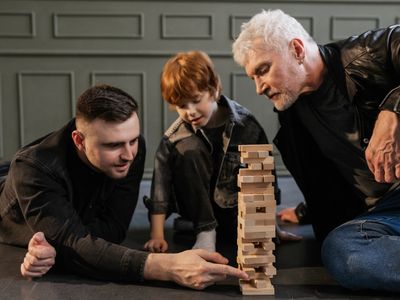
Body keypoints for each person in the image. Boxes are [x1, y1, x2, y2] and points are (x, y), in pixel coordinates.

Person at [0, 84, 248, 289]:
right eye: (113, 145)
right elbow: (78, 244)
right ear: (79, 140)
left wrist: (69, 246)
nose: (129, 155)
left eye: (132, 141)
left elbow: (113, 229)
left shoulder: (130, 150)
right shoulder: (32, 169)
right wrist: (169, 267)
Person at [232, 9, 400, 292]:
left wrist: (393, 110)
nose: (259, 87)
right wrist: (308, 210)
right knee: (342, 251)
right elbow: (333, 172)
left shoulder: (369, 52)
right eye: (252, 78)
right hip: (389, 209)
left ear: (296, 49)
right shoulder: (294, 113)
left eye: (263, 70)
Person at [143, 50, 285, 253]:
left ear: (214, 89)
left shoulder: (246, 126)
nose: (190, 111)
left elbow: (264, 177)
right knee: (188, 149)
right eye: (182, 105)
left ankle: (220, 230)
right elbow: (160, 189)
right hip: (196, 214)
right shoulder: (175, 138)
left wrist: (270, 226)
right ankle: (205, 233)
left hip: (234, 212)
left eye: (196, 99)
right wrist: (156, 235)